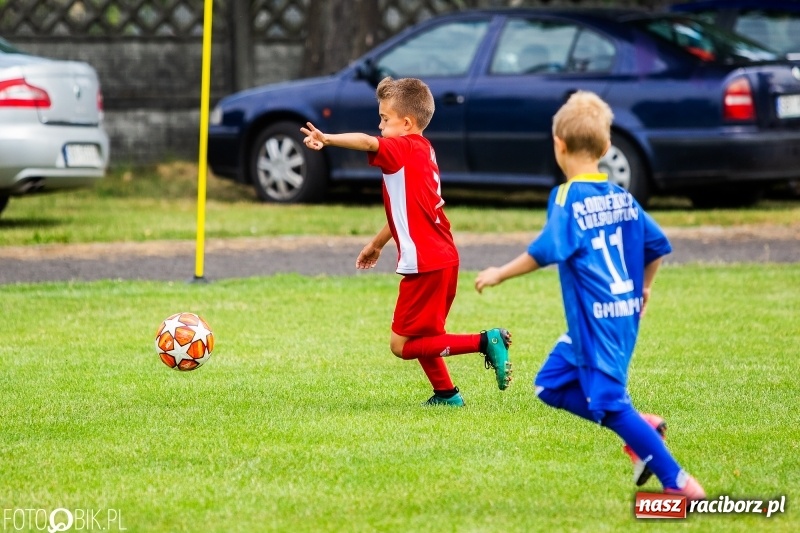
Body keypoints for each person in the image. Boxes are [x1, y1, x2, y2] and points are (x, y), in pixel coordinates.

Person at [474, 91, 705, 499]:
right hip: (616, 314)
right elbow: (657, 246)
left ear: (558, 145)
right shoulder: (623, 196)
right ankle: (643, 428)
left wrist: (499, 273)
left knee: (612, 405)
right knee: (549, 384)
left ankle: (679, 483)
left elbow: (545, 250)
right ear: (606, 146)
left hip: (598, 322)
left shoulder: (565, 197)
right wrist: (645, 288)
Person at [300, 76, 512, 406]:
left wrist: (327, 139)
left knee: (401, 345)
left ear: (407, 124)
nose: (380, 126)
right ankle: (446, 394)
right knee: (425, 335)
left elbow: (367, 143)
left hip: (425, 262)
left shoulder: (400, 148)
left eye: (385, 119)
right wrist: (377, 243)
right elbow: (407, 210)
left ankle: (486, 341)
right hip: (444, 257)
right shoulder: (424, 150)